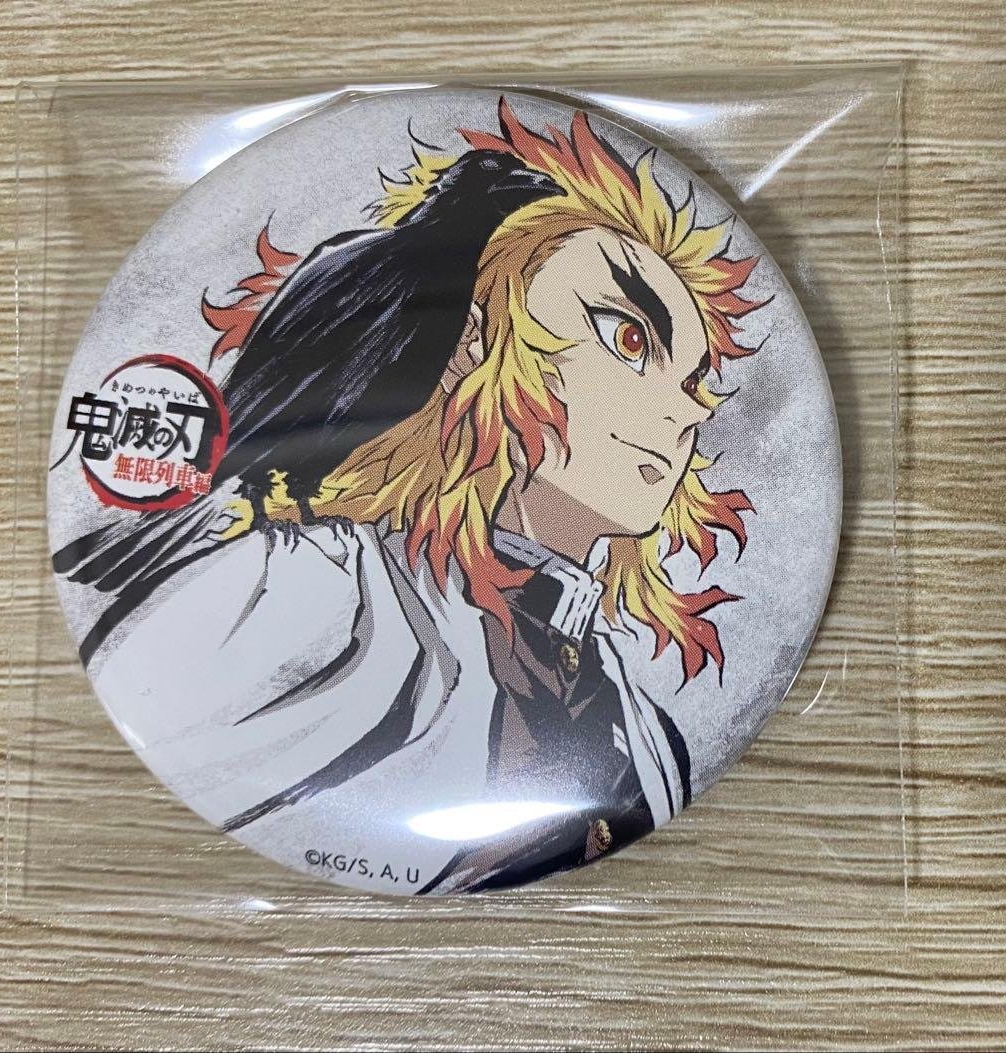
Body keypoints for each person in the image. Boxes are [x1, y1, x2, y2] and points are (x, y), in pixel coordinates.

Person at [84, 100, 764, 894]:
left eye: (692, 381)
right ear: (473, 338)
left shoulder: (648, 735)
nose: (688, 411)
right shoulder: (321, 593)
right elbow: (141, 750)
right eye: (629, 337)